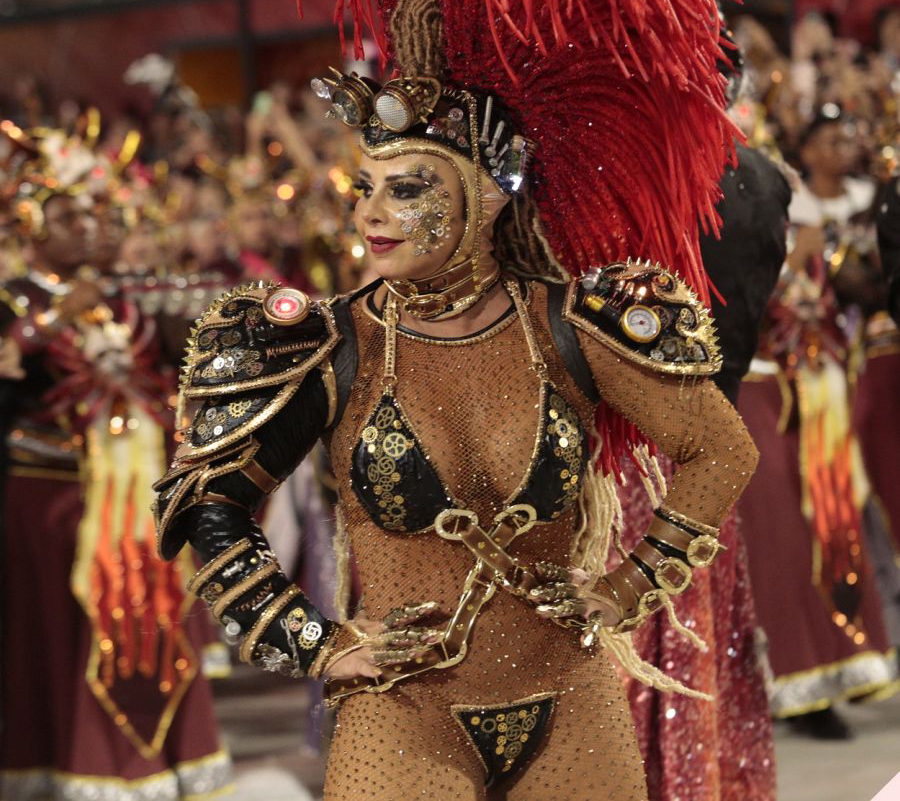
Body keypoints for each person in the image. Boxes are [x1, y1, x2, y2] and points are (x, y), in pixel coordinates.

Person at [154, 0, 755, 796]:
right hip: (403, 715)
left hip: (571, 702)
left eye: (407, 188)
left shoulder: (575, 324)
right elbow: (207, 501)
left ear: (489, 195)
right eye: (365, 186)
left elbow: (721, 449)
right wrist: (314, 640)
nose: (370, 212)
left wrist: (626, 588)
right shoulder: (327, 345)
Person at [0, 125, 230, 799]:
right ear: (31, 226)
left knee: (152, 613)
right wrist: (47, 323)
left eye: (91, 216)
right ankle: (68, 761)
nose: (87, 228)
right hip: (49, 499)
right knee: (60, 632)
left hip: (133, 497)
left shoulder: (121, 296)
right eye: (68, 219)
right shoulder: (15, 296)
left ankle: (164, 760)